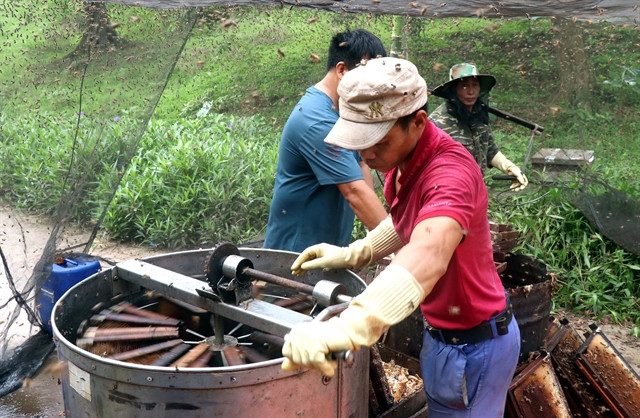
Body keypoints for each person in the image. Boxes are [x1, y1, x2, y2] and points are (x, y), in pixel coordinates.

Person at [281, 57, 520, 417]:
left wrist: (353, 325)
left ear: (418, 122)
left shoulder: (450, 172)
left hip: (477, 347)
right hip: (442, 336)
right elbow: (406, 220)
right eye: (359, 140)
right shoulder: (406, 162)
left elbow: (430, 249)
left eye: (378, 140)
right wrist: (356, 252)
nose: (366, 153)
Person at [263, 29, 388, 253]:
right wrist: (397, 248)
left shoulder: (342, 111)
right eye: (367, 77)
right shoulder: (316, 121)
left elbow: (360, 166)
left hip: (327, 251)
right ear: (342, 70)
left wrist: (376, 234)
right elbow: (354, 191)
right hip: (294, 258)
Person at [429, 63, 528, 192]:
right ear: (454, 89)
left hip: (476, 191)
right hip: (446, 194)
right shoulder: (436, 122)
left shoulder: (478, 115)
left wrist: (509, 168)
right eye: (464, 86)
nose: (470, 91)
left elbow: (490, 150)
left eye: (474, 85)